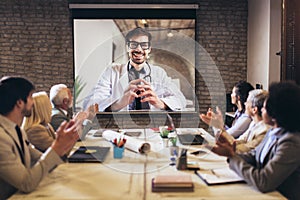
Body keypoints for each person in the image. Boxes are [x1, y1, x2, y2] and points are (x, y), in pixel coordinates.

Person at [207, 82, 300, 199]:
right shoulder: (273, 132)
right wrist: (231, 153)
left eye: (265, 108)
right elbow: (254, 155)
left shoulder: (291, 143)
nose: (262, 111)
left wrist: (232, 156)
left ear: (276, 113)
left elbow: (264, 181)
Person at [0, 76, 79, 199]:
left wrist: (63, 145)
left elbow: (39, 159)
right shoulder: (2, 138)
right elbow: (26, 183)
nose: (33, 102)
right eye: (31, 97)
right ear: (20, 102)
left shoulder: (16, 130)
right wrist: (56, 148)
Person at [82, 27, 186, 112]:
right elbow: (90, 103)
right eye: (134, 44)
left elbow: (181, 100)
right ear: (127, 47)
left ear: (149, 49)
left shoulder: (159, 73)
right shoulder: (112, 71)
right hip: (120, 128)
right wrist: (120, 103)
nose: (139, 49)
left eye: (144, 45)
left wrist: (159, 103)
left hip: (153, 127)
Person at [201, 89, 269, 153]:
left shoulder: (264, 131)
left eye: (247, 102)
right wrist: (217, 126)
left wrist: (219, 128)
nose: (245, 103)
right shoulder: (254, 123)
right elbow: (235, 142)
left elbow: (242, 150)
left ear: (254, 109)